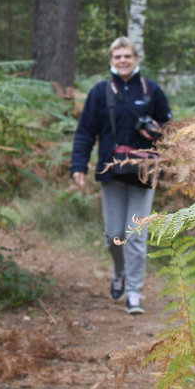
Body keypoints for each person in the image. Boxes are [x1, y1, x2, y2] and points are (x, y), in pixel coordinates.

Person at [70, 37, 172, 314]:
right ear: (111, 61)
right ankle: (119, 272)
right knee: (114, 235)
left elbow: (170, 128)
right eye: (118, 57)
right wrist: (78, 165)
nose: (123, 60)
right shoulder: (100, 92)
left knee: (136, 235)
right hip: (111, 172)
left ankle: (135, 293)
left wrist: (155, 129)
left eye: (128, 56)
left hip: (143, 173)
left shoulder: (152, 90)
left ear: (136, 58)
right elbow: (85, 132)